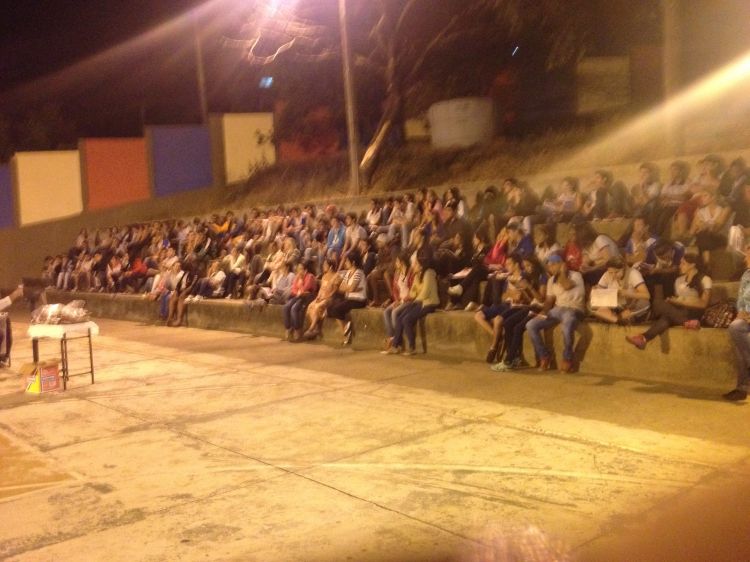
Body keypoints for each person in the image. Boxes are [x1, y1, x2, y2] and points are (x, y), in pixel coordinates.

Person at [626, 253, 711, 350]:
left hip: (694, 313)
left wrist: (681, 302)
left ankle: (645, 336)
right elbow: (679, 299)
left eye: (683, 263)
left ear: (692, 265)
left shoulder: (705, 279)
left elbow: (703, 304)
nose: (680, 266)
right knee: (665, 317)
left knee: (659, 306)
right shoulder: (679, 280)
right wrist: (674, 301)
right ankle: (644, 338)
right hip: (679, 312)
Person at [525, 254, 586, 372]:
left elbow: (567, 285)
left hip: (574, 309)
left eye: (553, 265)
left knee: (566, 326)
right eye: (549, 266)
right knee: (531, 325)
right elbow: (549, 301)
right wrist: (543, 313)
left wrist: (562, 272)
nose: (550, 268)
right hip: (558, 309)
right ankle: (544, 356)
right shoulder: (551, 280)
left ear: (561, 264)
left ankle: (567, 358)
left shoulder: (576, 275)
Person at [385, 257, 439, 355]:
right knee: (400, 318)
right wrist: (406, 299)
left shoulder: (429, 274)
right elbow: (413, 291)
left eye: (416, 264)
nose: (413, 266)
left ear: (421, 265)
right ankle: (395, 346)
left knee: (407, 319)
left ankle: (412, 347)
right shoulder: (417, 275)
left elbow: (425, 292)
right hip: (419, 302)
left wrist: (414, 300)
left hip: (429, 303)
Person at [724, 245, 750, 401]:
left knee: (741, 347)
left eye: (748, 255)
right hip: (746, 318)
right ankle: (742, 388)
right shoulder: (746, 275)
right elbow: (741, 298)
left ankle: (742, 388)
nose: (745, 258)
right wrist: (740, 312)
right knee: (736, 328)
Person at [590, 258, 650, 324]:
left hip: (631, 305)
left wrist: (626, 293)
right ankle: (617, 319)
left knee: (644, 303)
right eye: (611, 273)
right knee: (594, 307)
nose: (613, 275)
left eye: (617, 272)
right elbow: (599, 291)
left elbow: (646, 295)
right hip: (616, 306)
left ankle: (614, 318)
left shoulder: (633, 273)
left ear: (623, 269)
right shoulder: (607, 275)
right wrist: (596, 291)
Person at [327, 252, 367, 345]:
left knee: (336, 309)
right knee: (329, 309)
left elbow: (350, 288)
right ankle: (346, 329)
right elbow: (341, 288)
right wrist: (351, 289)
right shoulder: (348, 272)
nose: (345, 263)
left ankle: (346, 331)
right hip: (350, 298)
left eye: (347, 261)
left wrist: (350, 288)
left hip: (359, 300)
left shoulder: (359, 273)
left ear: (353, 262)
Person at [303, 258, 341, 339]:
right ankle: (317, 329)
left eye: (325, 265)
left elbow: (335, 291)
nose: (323, 266)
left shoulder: (336, 276)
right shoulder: (324, 276)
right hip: (321, 297)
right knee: (311, 306)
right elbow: (321, 289)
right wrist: (318, 297)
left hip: (330, 298)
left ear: (330, 267)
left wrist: (325, 297)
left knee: (318, 307)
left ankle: (312, 328)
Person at [283, 261, 317, 342]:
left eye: (300, 269)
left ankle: (297, 330)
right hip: (298, 296)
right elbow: (293, 289)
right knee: (286, 307)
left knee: (294, 309)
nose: (298, 271)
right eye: (298, 269)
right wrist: (298, 292)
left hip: (307, 297)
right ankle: (288, 328)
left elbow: (305, 289)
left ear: (305, 270)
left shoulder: (310, 276)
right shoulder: (297, 276)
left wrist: (301, 282)